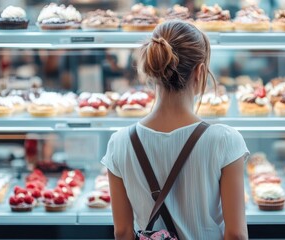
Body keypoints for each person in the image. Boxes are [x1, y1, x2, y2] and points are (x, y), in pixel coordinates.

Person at [101, 20, 249, 240]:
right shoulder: (226, 140)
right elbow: (236, 234)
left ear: (152, 70)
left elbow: (122, 232)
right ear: (200, 72)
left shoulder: (119, 143)